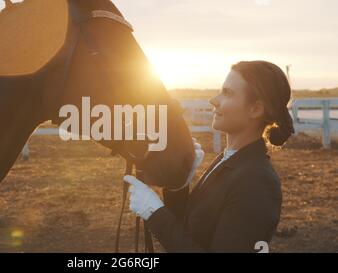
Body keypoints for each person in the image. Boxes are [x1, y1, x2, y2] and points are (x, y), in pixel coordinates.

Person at [124, 60, 295, 252]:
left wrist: (154, 212)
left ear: (255, 109)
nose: (213, 100)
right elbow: (191, 230)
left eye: (227, 93)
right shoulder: (230, 160)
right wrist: (178, 187)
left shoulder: (257, 181)